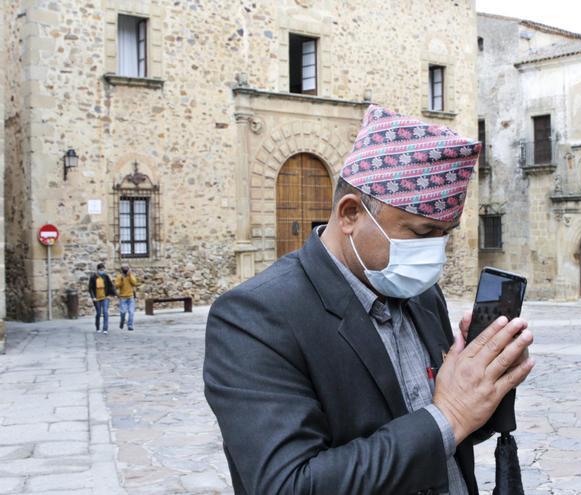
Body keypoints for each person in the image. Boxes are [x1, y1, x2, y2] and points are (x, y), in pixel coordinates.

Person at [204, 105, 535, 495]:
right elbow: (290, 485)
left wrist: (484, 382)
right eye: (422, 231)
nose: (436, 252)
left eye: (444, 234)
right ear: (349, 215)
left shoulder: (421, 295)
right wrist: (450, 413)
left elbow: (444, 441)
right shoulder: (254, 318)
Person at [88, 263, 116, 334]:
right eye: (101, 270)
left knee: (105, 312)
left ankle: (105, 329)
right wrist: (93, 297)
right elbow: (90, 288)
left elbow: (110, 285)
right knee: (98, 313)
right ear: (97, 270)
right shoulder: (93, 277)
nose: (102, 271)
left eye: (103, 270)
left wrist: (111, 294)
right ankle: (97, 327)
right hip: (96, 298)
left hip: (105, 297)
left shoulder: (106, 276)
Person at [115, 264, 139, 331]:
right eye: (124, 268)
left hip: (130, 296)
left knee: (131, 312)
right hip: (123, 297)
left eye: (126, 268)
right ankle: (122, 321)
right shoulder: (119, 276)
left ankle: (130, 325)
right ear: (122, 269)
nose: (125, 269)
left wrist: (130, 275)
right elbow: (117, 286)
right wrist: (122, 280)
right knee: (123, 312)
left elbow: (134, 283)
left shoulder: (131, 275)